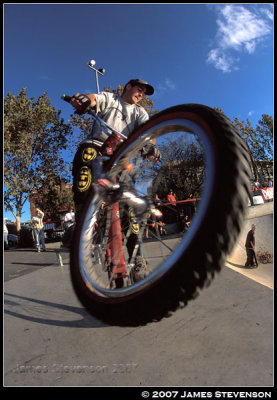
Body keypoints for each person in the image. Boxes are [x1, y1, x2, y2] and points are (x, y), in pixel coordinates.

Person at [70, 79, 161, 281]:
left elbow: (148, 131)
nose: (141, 94)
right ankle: (81, 223)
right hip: (97, 145)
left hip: (120, 156)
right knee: (86, 159)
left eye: (144, 93)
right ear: (128, 86)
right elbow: (94, 99)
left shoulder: (140, 113)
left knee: (128, 203)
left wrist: (151, 147)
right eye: (139, 89)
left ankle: (138, 259)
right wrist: (85, 100)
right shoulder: (111, 99)